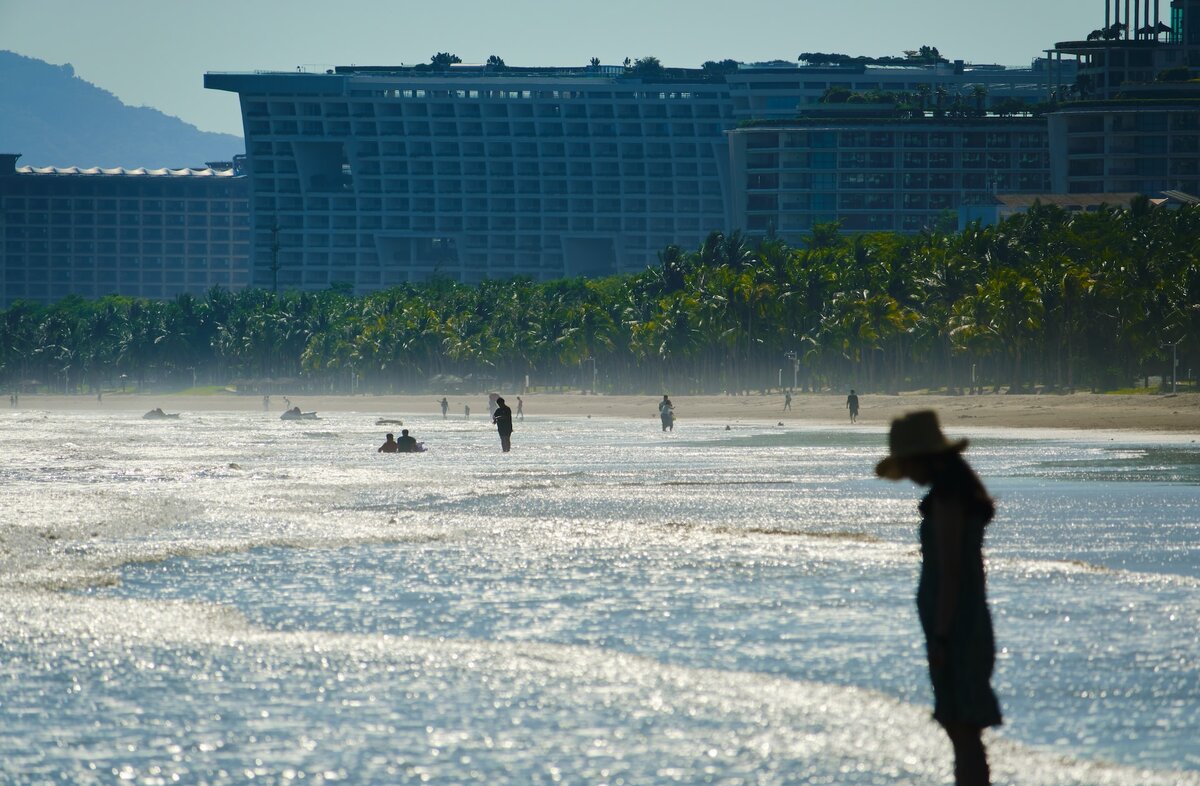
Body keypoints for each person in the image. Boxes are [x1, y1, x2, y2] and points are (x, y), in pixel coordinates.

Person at [876, 411, 1001, 786]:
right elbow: (972, 572)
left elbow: (950, 574)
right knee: (964, 727)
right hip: (968, 619)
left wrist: (941, 636)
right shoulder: (960, 493)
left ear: (924, 458)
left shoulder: (947, 501)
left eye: (908, 463)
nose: (907, 474)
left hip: (955, 626)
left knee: (961, 728)